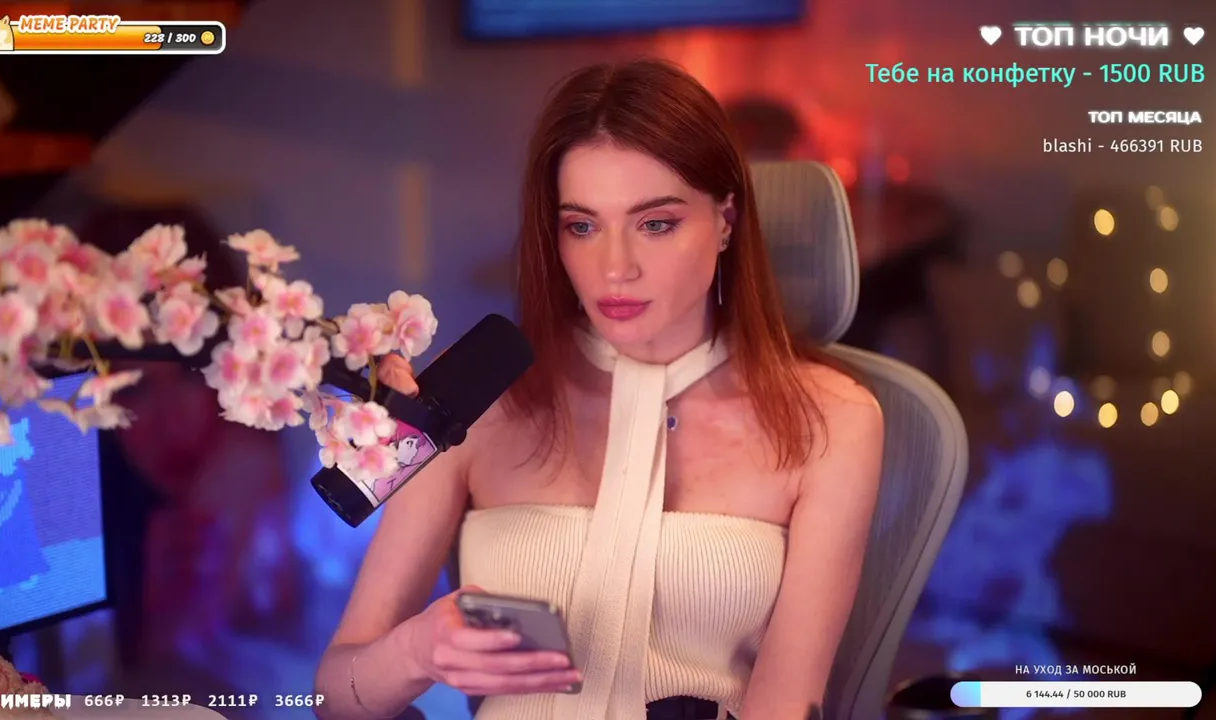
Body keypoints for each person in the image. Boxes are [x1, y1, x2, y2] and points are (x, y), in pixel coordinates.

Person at [316, 59, 884, 720]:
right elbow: (332, 697)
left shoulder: (831, 420)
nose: (615, 268)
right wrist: (416, 652)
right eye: (582, 226)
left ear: (726, 220)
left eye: (656, 223)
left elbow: (786, 705)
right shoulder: (478, 393)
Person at [80, 204, 300, 668]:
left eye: (191, 374)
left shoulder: (266, 470)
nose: (173, 423)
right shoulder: (65, 528)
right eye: (133, 388)